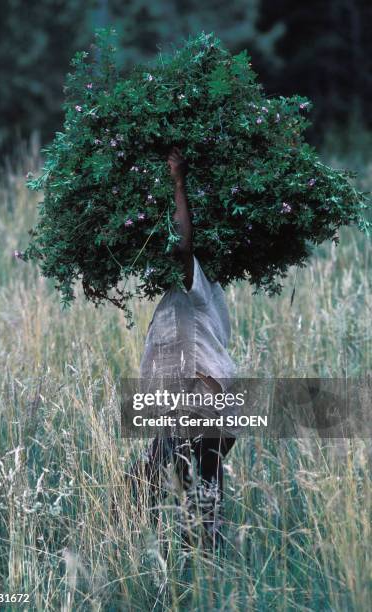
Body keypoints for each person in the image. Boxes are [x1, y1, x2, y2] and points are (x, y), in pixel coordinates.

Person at [129, 146, 237, 550]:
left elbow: (184, 244)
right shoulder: (183, 295)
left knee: (164, 481)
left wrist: (178, 181)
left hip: (201, 407)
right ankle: (203, 556)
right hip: (197, 407)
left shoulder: (197, 286)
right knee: (193, 484)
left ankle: (199, 556)